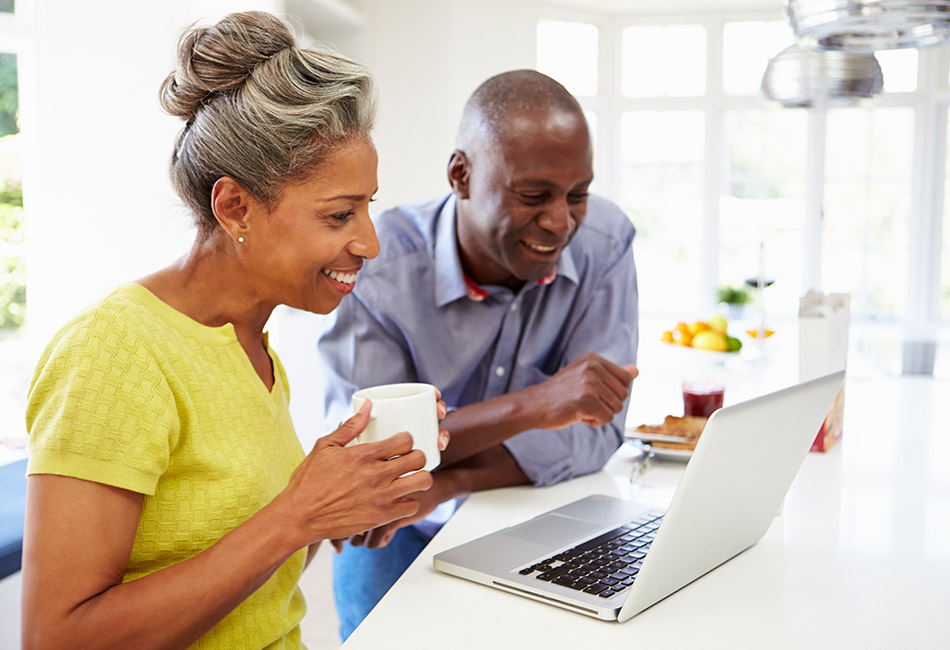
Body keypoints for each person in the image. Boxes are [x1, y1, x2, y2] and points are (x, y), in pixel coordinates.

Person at [21, 12, 447, 649]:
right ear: (234, 207)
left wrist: (337, 511)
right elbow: (57, 639)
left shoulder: (251, 347)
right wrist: (295, 515)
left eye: (367, 207)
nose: (370, 242)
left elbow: (249, 584)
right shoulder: (114, 353)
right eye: (339, 215)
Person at [318, 69, 640, 641]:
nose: (561, 222)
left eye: (578, 195)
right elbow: (369, 462)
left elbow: (595, 432)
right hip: (396, 528)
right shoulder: (378, 265)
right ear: (460, 175)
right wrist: (538, 406)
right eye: (533, 195)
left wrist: (443, 482)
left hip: (527, 518)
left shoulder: (606, 243)